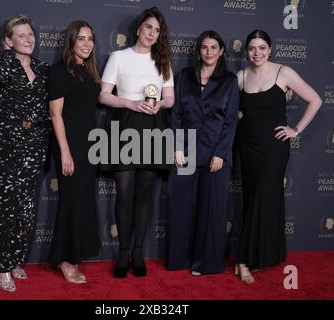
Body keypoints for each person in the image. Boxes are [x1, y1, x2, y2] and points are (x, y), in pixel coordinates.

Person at [235, 30, 322, 283]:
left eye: (262, 48)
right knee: (252, 198)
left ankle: (243, 259)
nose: (257, 53)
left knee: (265, 196)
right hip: (247, 146)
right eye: (252, 48)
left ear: (270, 49)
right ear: (247, 51)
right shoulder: (240, 77)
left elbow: (315, 99)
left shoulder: (283, 72)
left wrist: (295, 130)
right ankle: (254, 256)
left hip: (274, 148)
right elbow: (235, 112)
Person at [98, 7, 174, 278]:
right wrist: (130, 102)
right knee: (125, 193)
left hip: (153, 127)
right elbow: (104, 96)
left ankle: (139, 251)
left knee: (145, 193)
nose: (152, 33)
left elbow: (170, 98)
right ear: (138, 28)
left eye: (157, 30)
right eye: (148, 27)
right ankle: (122, 251)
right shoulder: (118, 57)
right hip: (123, 126)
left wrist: (159, 106)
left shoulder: (162, 61)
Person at [165, 31, 239, 275]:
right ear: (199, 51)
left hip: (215, 154)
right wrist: (176, 146)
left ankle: (206, 264)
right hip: (184, 152)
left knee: (212, 211)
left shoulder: (229, 81)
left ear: (221, 52)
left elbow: (230, 121)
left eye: (214, 47)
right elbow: (174, 114)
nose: (208, 52)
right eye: (204, 47)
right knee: (181, 208)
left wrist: (221, 153)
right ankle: (179, 260)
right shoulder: (184, 77)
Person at [0, 15, 51, 292]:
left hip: (35, 143)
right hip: (10, 144)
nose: (29, 39)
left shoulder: (41, 67)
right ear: (9, 41)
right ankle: (2, 269)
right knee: (8, 207)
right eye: (21, 35)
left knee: (26, 208)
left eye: (30, 34)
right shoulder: (2, 67)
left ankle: (15, 260)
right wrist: (6, 54)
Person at [47, 21, 101, 283]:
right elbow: (55, 115)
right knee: (71, 202)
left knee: (82, 202)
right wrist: (65, 153)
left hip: (89, 146)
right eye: (81, 38)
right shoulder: (59, 72)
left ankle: (74, 255)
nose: (87, 44)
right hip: (69, 146)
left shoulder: (89, 72)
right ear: (71, 42)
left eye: (90, 39)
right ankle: (65, 260)